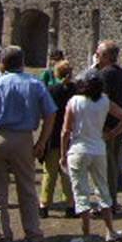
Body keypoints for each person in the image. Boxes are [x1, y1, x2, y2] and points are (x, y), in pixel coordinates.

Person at [0, 46, 56, 242]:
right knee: (27, 188)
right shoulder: (35, 85)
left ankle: (3, 236)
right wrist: (42, 141)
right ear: (22, 62)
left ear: (2, 63)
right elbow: (50, 113)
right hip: (24, 138)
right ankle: (33, 235)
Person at [61, 69, 122, 242]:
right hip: (98, 150)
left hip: (78, 149)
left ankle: (86, 235)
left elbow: (66, 131)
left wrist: (62, 154)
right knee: (103, 190)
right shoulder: (104, 101)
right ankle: (111, 231)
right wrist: (111, 134)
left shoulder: (74, 101)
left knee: (81, 193)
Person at [95, 40, 122, 211]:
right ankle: (112, 200)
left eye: (99, 53)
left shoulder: (105, 74)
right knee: (113, 164)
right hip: (119, 126)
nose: (96, 55)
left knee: (106, 166)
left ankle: (107, 203)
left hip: (107, 127)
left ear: (107, 56)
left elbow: (103, 101)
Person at [38, 60, 74, 218]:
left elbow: (45, 113)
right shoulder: (76, 91)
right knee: (67, 173)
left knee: (49, 173)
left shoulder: (51, 91)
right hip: (71, 136)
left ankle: (44, 205)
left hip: (53, 135)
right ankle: (70, 205)